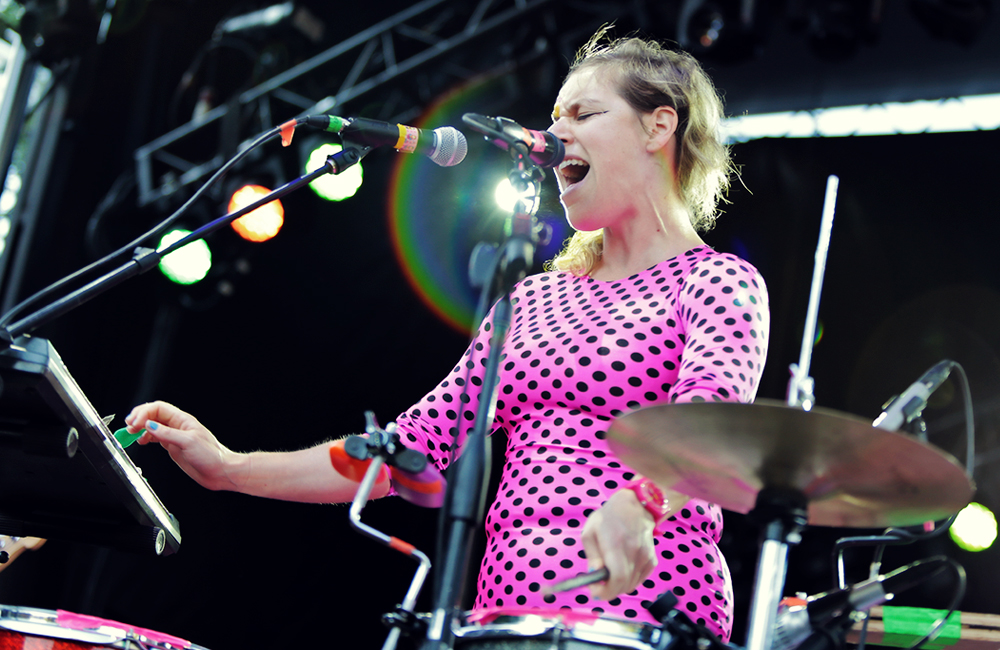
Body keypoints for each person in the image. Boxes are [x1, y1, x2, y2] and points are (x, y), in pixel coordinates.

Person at [125, 28, 769, 642]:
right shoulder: (532, 299)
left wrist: (642, 503)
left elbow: (707, 421)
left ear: (659, 126)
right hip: (504, 619)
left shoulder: (716, 281)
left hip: (644, 616)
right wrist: (232, 469)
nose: (555, 131)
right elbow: (409, 448)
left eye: (583, 113)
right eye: (554, 115)